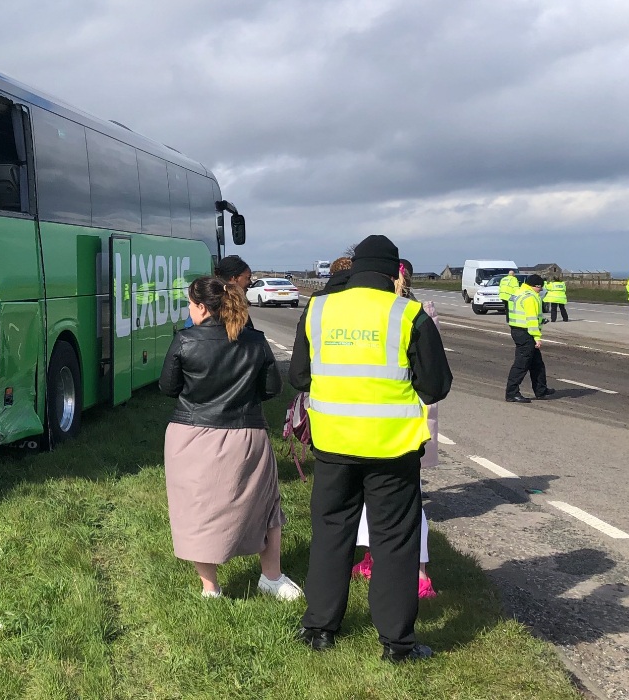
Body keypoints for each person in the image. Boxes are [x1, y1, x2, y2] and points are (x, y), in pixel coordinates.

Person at [290, 235, 452, 663]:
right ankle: (397, 644)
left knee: (330, 534)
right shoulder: (409, 313)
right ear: (395, 271)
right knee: (395, 542)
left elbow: (299, 377)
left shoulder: (319, 309)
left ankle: (319, 628)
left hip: (333, 444)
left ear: (354, 267)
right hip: (392, 450)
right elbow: (437, 386)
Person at [159, 276, 303, 601]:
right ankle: (272, 576)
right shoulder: (256, 341)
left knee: (197, 509)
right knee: (265, 505)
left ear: (200, 307)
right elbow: (271, 389)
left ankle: (210, 587)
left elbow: (168, 388)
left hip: (191, 435)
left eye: (189, 304)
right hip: (246, 433)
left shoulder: (185, 340)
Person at [351, 259, 438, 600]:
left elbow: (430, 377)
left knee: (406, 505)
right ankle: (378, 559)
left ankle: (418, 575)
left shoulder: (414, 314)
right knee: (381, 502)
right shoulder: (407, 313)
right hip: (385, 425)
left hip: (396, 427)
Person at [506, 274, 553, 403]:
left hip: (517, 330)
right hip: (526, 333)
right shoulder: (530, 298)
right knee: (521, 364)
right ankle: (512, 393)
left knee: (537, 363)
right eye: (540, 288)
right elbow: (531, 319)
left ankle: (541, 390)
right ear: (535, 286)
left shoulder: (518, 293)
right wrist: (537, 337)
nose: (541, 290)